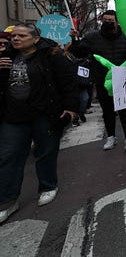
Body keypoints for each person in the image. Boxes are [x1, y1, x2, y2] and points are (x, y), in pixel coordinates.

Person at [0, 23, 79, 224]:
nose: (15, 39)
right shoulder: (6, 56)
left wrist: (71, 108)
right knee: (9, 156)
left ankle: (48, 186)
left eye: (21, 36)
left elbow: (68, 81)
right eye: (13, 36)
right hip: (13, 116)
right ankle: (8, 201)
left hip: (44, 114)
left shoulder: (51, 55)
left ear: (35, 39)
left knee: (46, 152)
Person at [69, 10, 126, 151]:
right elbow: (78, 52)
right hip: (102, 81)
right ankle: (111, 136)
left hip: (123, 80)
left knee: (125, 110)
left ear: (117, 22)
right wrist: (74, 40)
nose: (108, 23)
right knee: (107, 111)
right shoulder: (92, 37)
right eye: (105, 20)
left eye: (111, 20)